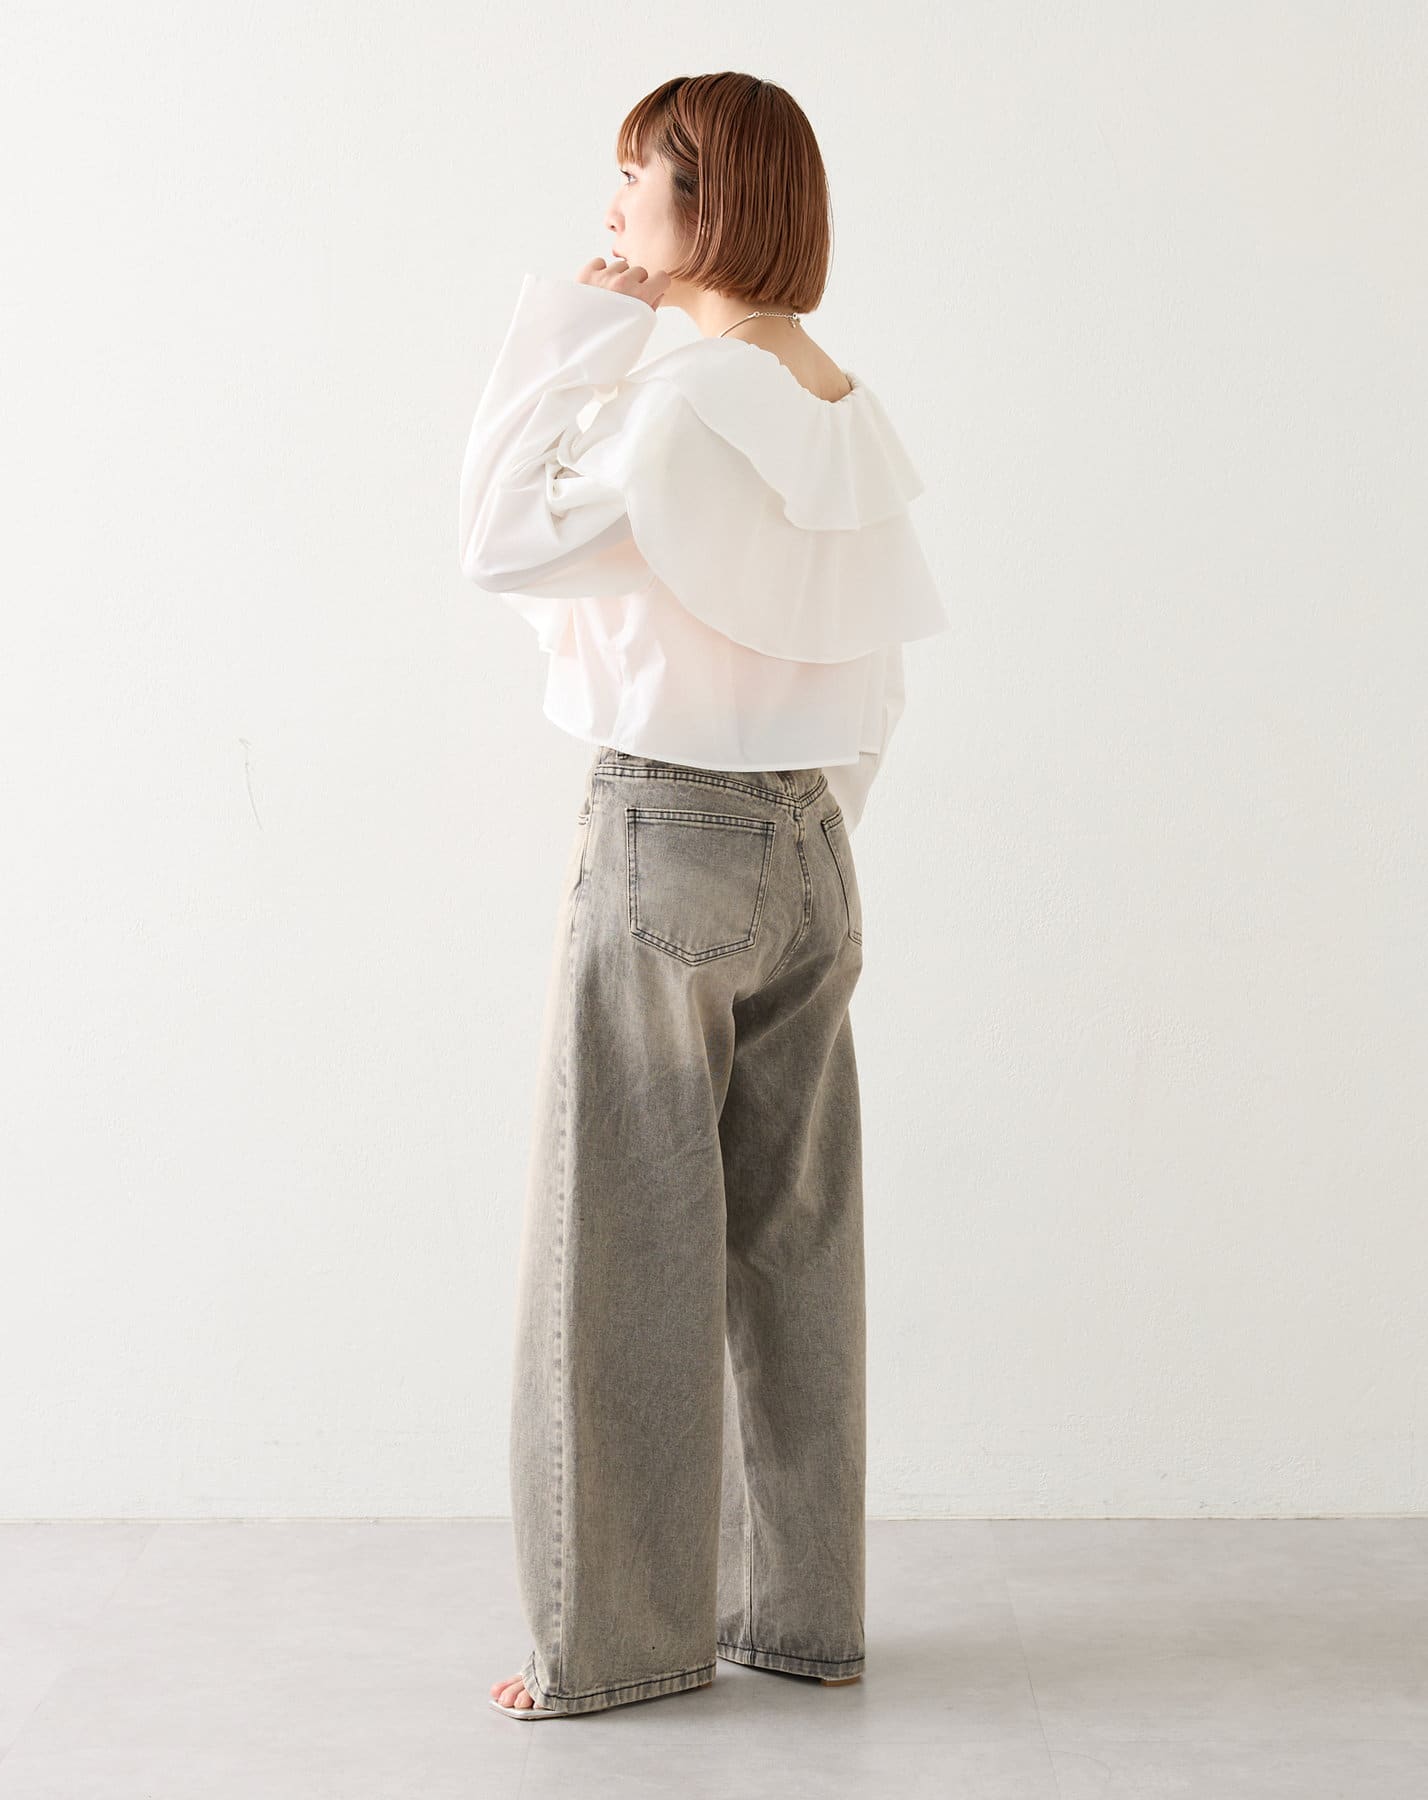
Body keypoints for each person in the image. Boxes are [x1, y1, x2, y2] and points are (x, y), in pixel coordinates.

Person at [459, 72, 949, 1720]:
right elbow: (874, 671)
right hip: (815, 848)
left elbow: (496, 538)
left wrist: (572, 336)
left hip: (669, 835)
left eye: (636, 177)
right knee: (793, 1244)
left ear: (709, 203)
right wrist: (809, 836)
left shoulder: (676, 409)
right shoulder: (838, 402)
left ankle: (614, 1647)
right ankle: (803, 1619)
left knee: (617, 1244)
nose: (612, 207)